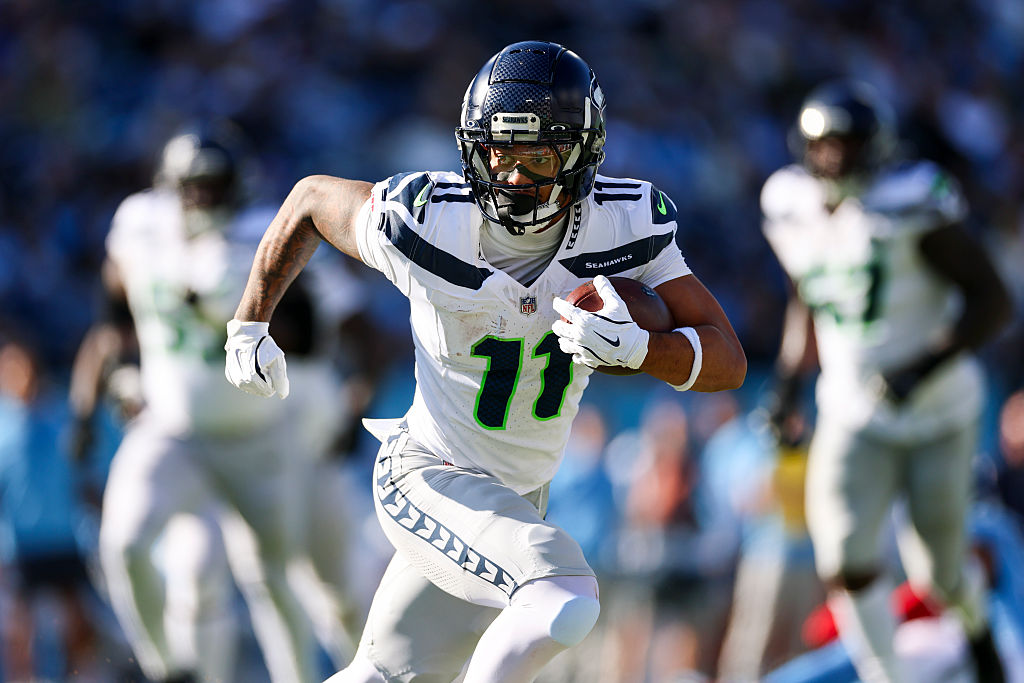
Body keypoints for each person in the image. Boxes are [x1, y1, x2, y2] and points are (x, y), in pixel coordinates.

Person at [224, 40, 746, 683]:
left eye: (537, 155)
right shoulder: (424, 220)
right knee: (563, 596)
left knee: (388, 674)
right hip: (431, 470)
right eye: (500, 153)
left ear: (582, 155)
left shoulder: (624, 225)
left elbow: (727, 358)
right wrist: (248, 323)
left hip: (518, 491)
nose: (514, 176)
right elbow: (308, 199)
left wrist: (645, 350)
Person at [71, 125, 344, 683]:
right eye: (192, 187)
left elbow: (312, 336)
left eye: (214, 187)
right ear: (167, 187)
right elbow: (114, 308)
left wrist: (240, 310)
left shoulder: (257, 235)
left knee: (272, 577)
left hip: (256, 434)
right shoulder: (140, 225)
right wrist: (116, 378)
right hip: (173, 430)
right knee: (123, 544)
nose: (202, 199)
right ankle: (167, 670)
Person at [761, 79, 1012, 683]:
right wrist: (789, 386)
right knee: (844, 558)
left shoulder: (912, 204)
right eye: (824, 146)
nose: (834, 159)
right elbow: (808, 299)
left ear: (877, 149)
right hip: (853, 410)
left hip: (939, 414)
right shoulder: (790, 205)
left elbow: (992, 301)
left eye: (847, 145)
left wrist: (921, 367)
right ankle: (886, 676)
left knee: (939, 575)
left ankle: (978, 632)